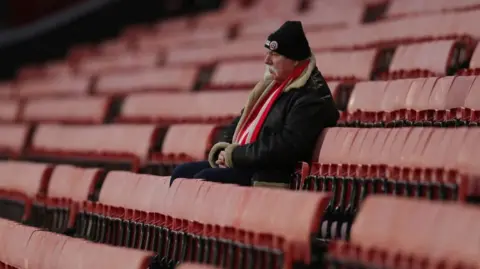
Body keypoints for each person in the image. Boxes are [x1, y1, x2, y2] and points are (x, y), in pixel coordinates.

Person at [170, 20, 339, 188]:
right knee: (181, 172)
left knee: (205, 178)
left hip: (271, 173)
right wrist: (225, 148)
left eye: (275, 54)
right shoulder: (274, 84)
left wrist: (235, 155)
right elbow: (242, 121)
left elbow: (287, 146)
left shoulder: (311, 97)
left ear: (295, 60)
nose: (267, 60)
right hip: (249, 162)